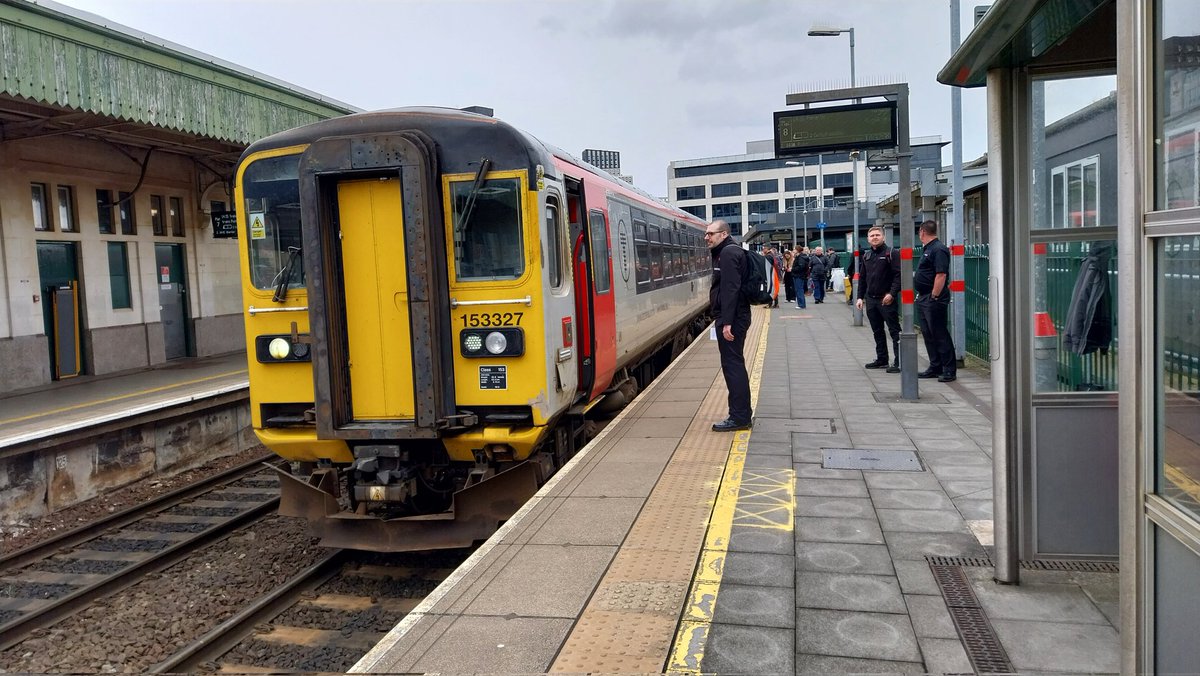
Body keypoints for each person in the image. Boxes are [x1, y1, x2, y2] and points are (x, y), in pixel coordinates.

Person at [706, 220, 753, 431]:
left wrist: (727, 323)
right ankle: (741, 413)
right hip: (737, 316)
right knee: (734, 364)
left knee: (732, 366)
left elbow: (730, 289)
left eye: (710, 234)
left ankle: (740, 417)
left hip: (734, 319)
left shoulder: (727, 254)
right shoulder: (730, 251)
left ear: (723, 234)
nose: (707, 237)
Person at [914, 220, 957, 382]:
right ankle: (935, 366)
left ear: (922, 232)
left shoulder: (938, 249)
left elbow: (941, 274)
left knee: (939, 333)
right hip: (925, 296)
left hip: (934, 298)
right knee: (928, 333)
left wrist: (934, 296)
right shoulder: (929, 249)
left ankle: (949, 370)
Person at [856, 226, 902, 373]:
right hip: (871, 300)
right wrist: (859, 297)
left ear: (883, 237)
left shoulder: (892, 253)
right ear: (868, 239)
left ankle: (899, 361)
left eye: (877, 235)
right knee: (877, 331)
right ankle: (882, 359)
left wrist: (892, 294)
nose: (874, 237)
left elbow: (898, 276)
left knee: (894, 331)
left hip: (886, 299)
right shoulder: (867, 256)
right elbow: (862, 278)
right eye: (872, 236)